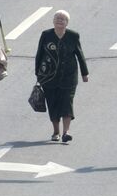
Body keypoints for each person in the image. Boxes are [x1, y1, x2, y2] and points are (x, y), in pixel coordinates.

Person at [34, 10, 88, 143]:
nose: (59, 20)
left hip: (69, 77)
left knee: (67, 103)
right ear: (53, 21)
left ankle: (66, 132)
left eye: (63, 19)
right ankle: (56, 132)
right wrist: (38, 74)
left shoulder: (73, 36)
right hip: (49, 77)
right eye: (57, 18)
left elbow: (80, 55)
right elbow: (39, 54)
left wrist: (84, 73)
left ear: (67, 23)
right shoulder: (46, 35)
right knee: (53, 104)